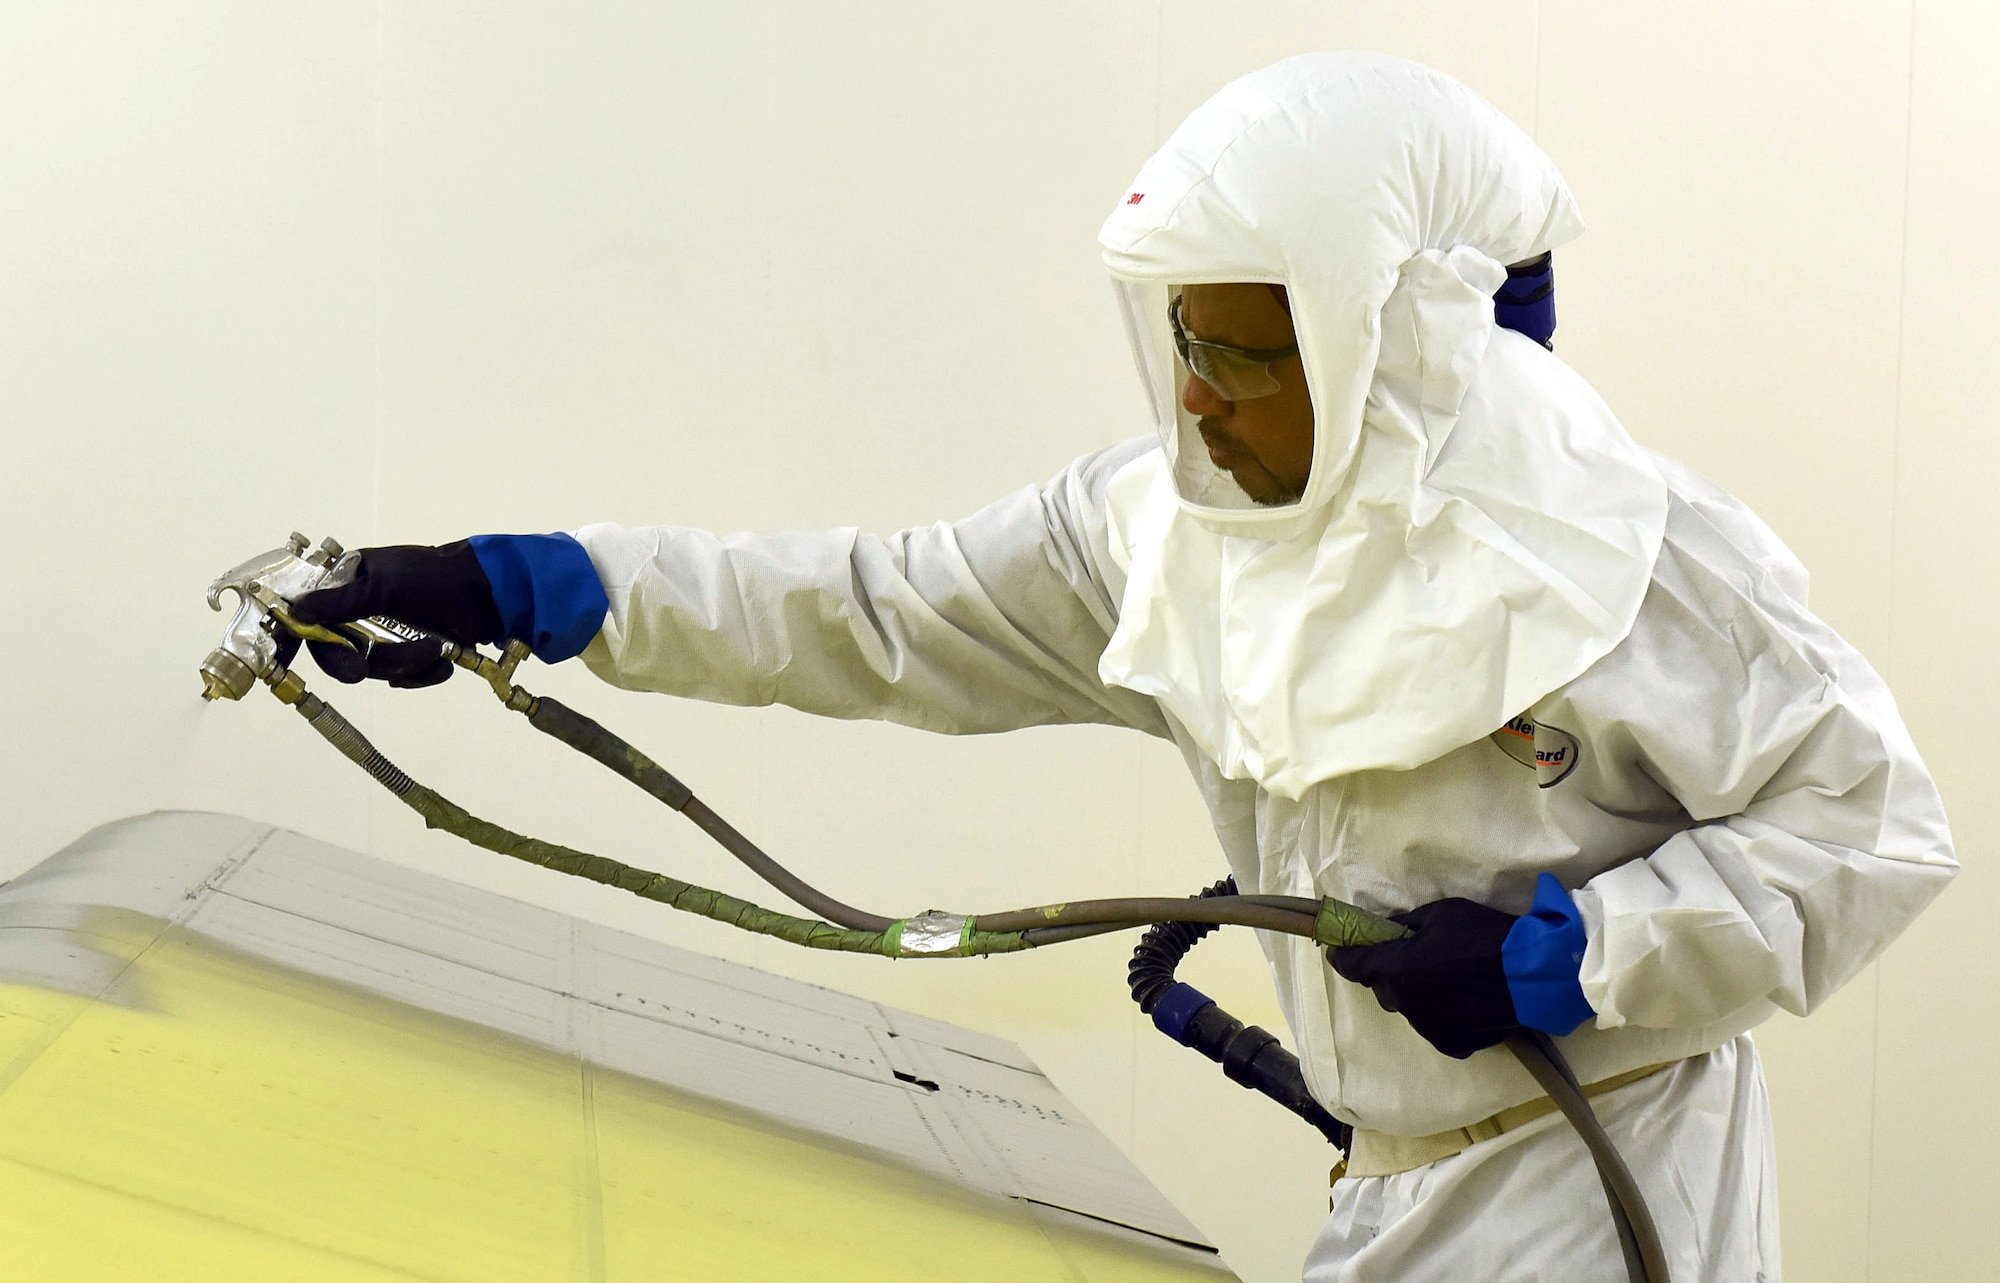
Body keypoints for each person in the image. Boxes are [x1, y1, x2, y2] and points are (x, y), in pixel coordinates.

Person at [279, 53, 1955, 1281]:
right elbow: (868, 609)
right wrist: (522, 589)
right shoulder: (1165, 538)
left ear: (1381, 335)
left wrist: (1580, 958)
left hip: (1613, 1188)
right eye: (1184, 348)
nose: (1199, 400)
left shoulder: (1629, 551)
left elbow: (1873, 832)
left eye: (1241, 351)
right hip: (1386, 1186)